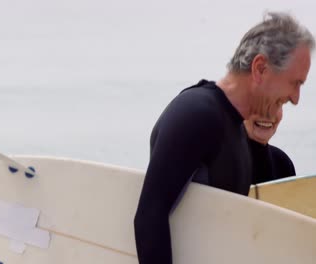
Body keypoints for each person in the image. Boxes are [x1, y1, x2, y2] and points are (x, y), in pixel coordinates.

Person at [134, 12, 314, 264]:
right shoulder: (196, 112)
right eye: (294, 83)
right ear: (260, 69)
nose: (295, 98)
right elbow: (150, 216)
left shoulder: (234, 129)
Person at [244, 109, 296, 185]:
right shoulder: (222, 159)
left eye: (277, 103)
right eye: (259, 103)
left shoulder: (282, 162)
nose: (268, 114)